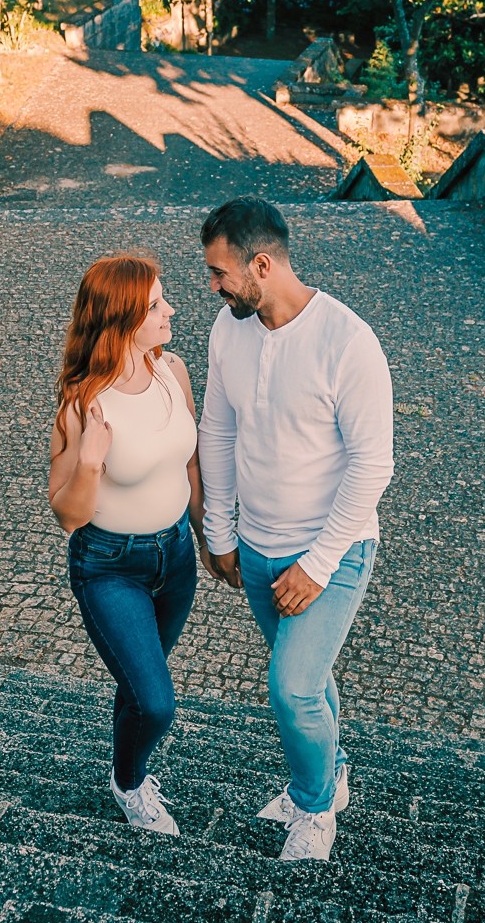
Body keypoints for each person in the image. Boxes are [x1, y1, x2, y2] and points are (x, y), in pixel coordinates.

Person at [196, 197, 395, 862]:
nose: (214, 286)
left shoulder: (347, 341)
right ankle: (330, 769)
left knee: (294, 685)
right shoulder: (229, 330)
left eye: (221, 273)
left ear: (262, 263)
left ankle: (313, 807)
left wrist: (317, 563)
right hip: (255, 545)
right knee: (307, 673)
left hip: (332, 551)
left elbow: (374, 463)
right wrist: (219, 531)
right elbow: (217, 430)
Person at [47, 254, 203, 836]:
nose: (171, 310)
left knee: (138, 687)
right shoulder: (84, 403)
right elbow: (67, 514)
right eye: (156, 305)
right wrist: (89, 461)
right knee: (156, 701)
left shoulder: (174, 372)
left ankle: (127, 766)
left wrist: (208, 533)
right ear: (121, 320)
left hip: (177, 557)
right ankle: (129, 782)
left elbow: (188, 459)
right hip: (110, 567)